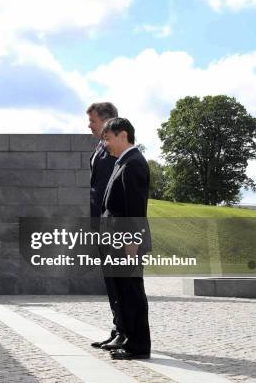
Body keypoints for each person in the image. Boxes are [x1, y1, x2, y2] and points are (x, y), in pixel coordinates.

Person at [101, 117, 152, 360]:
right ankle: (129, 339)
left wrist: (132, 244)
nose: (105, 144)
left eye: (108, 138)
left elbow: (135, 210)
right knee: (123, 293)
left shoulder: (134, 164)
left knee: (132, 294)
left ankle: (138, 346)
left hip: (127, 244)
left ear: (123, 135)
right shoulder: (122, 162)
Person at [86, 102, 125, 351]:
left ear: (107, 121)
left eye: (93, 121)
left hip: (113, 226)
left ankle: (124, 331)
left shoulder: (116, 152)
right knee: (111, 282)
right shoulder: (100, 149)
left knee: (120, 281)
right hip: (100, 224)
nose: (89, 125)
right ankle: (118, 328)